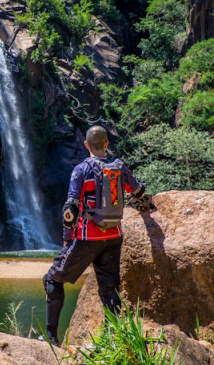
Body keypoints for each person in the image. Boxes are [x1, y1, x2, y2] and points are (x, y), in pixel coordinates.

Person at [42, 125, 147, 345]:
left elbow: (70, 207)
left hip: (87, 238)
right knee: (109, 288)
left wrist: (67, 236)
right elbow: (138, 192)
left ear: (86, 145)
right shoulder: (119, 167)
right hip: (113, 237)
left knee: (52, 279)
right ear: (107, 144)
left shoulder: (81, 169)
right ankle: (113, 339)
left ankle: (51, 338)